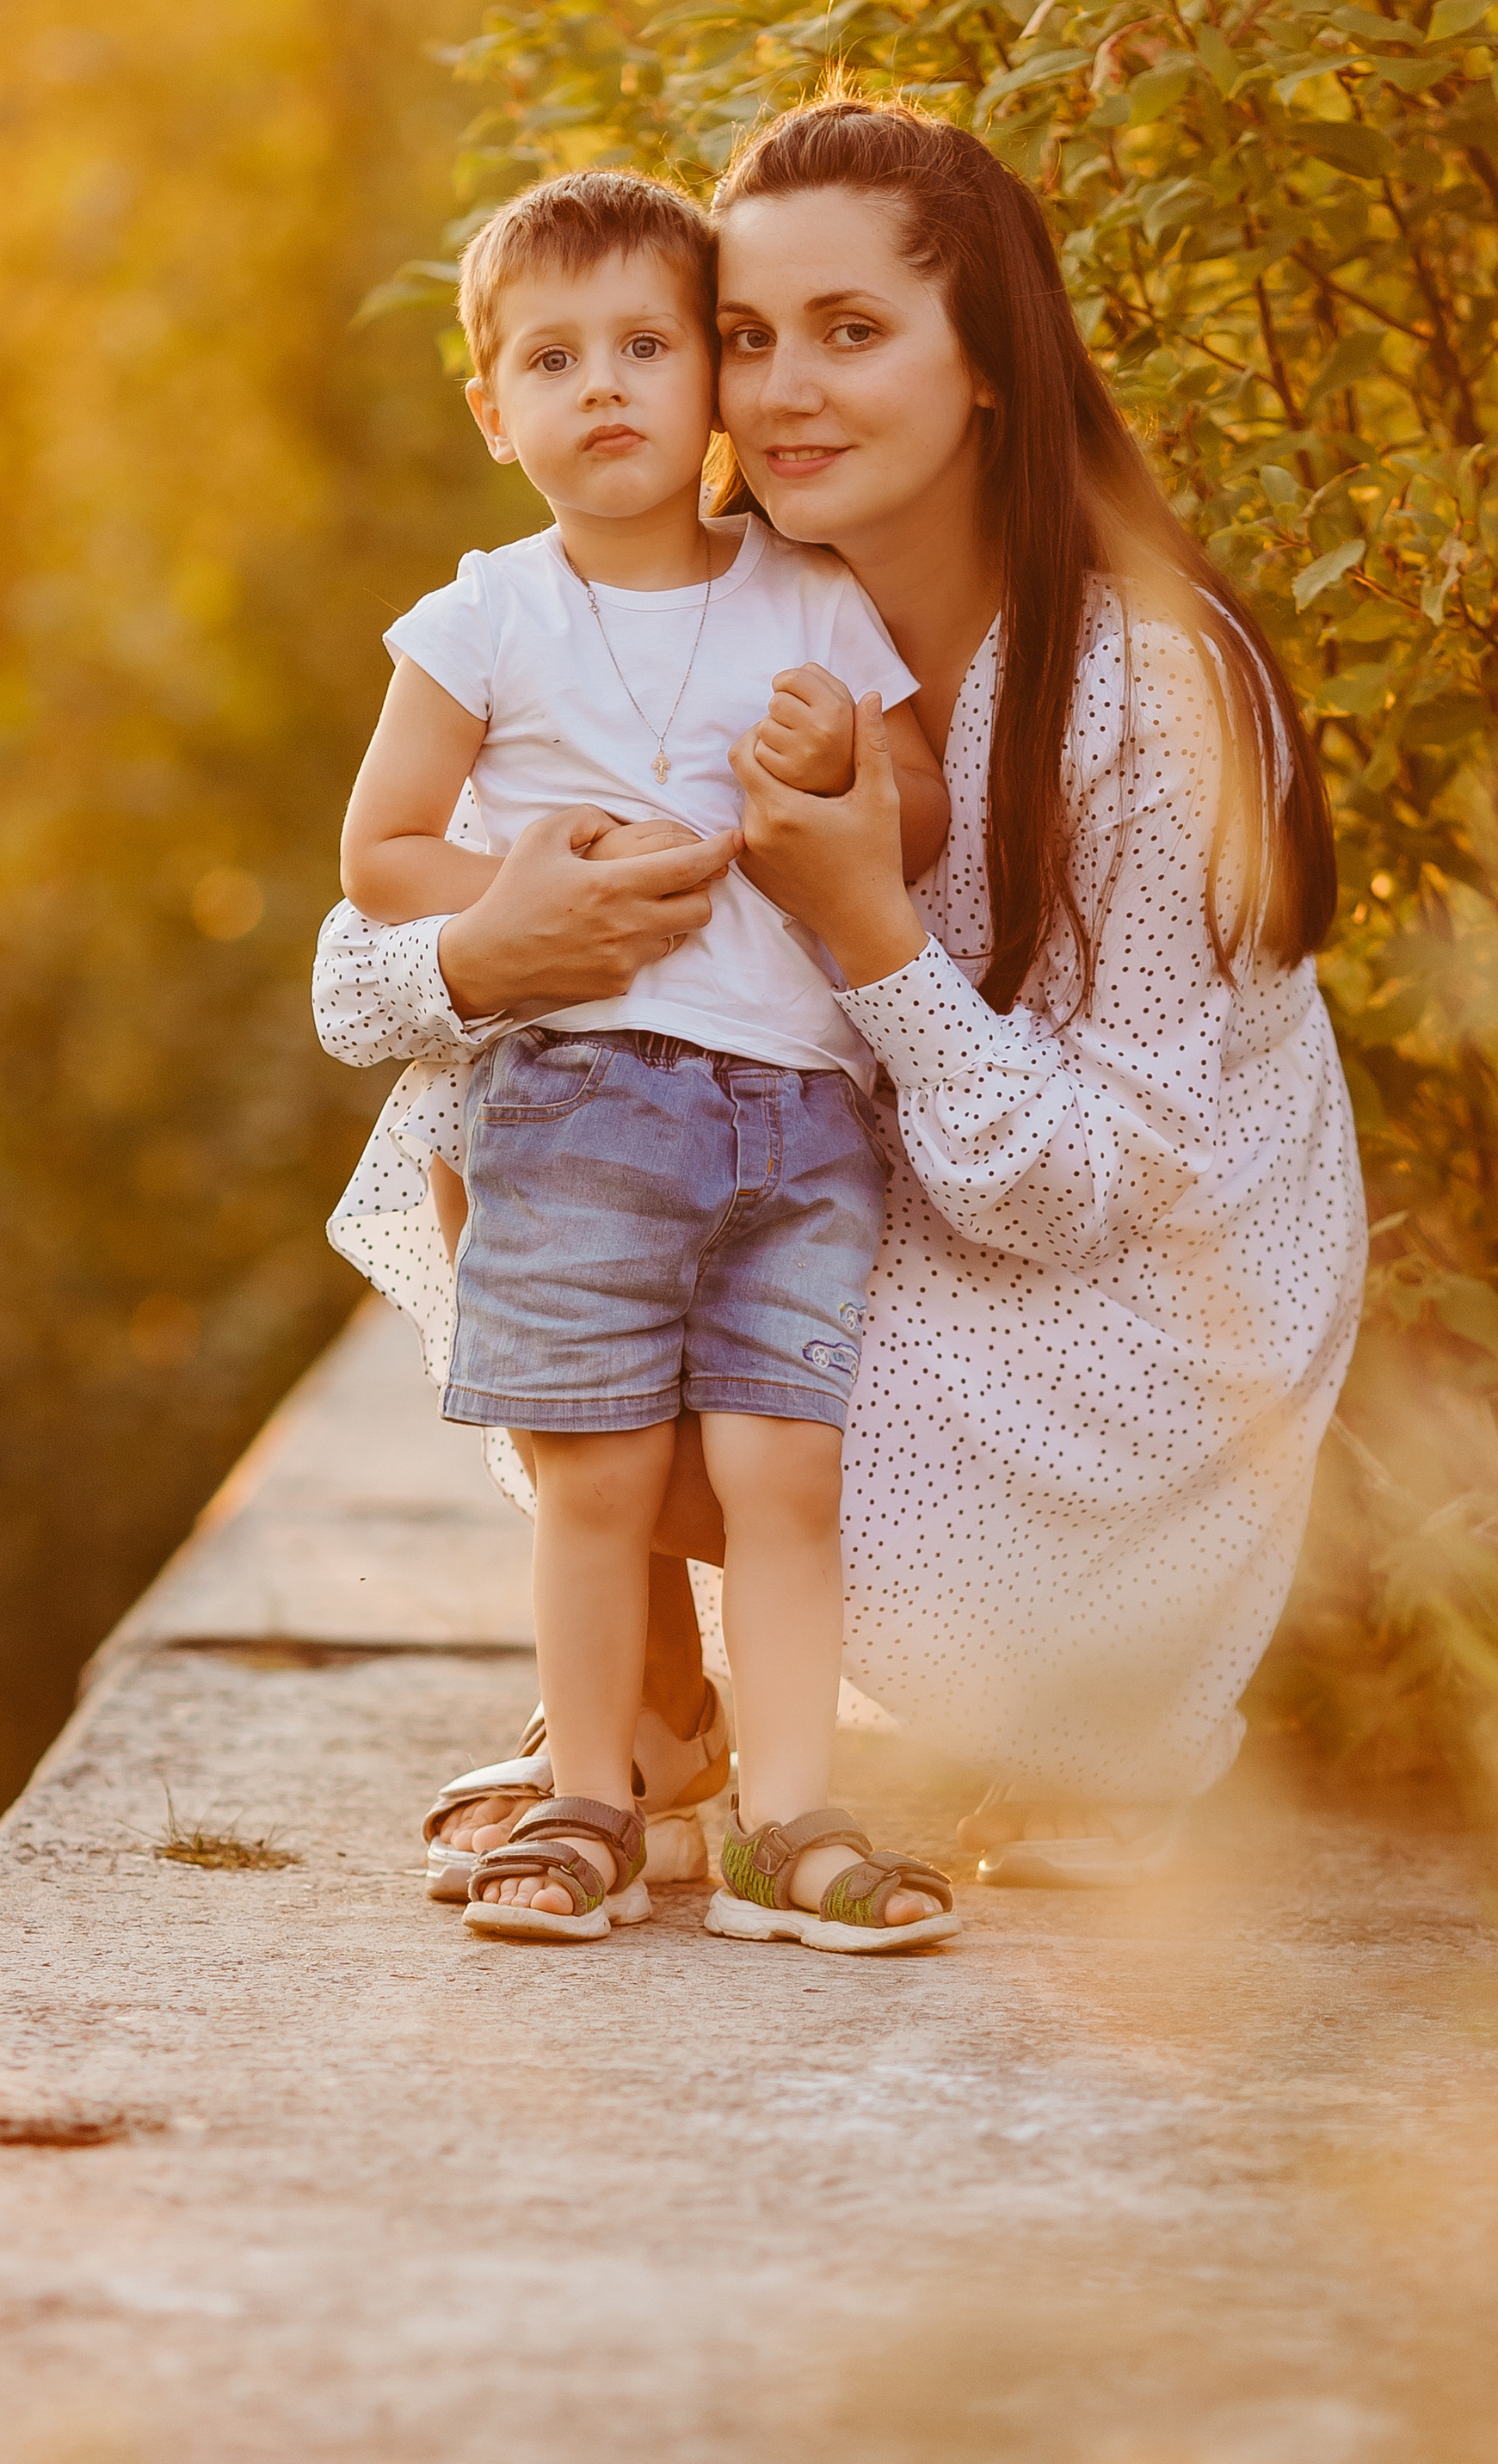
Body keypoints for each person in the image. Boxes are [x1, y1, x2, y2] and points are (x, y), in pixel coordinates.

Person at [317, 94, 1365, 1890]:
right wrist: (488, 948)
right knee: (508, 1099)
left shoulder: (1149, 684)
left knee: (691, 1336)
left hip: (1133, 1336)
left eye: (852, 332)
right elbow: (361, 984)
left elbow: (1084, 1199)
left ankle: (1056, 1700)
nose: (781, 387)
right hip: (882, 1201)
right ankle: (644, 1719)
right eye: (743, 336)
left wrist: (864, 924)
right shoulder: (730, 603)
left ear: (986, 369)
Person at [336, 166, 957, 1949]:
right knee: (594, 1471)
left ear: (710, 385)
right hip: (578, 1100)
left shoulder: (809, 599)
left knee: (781, 1475)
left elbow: (908, 814)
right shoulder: (481, 619)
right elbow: (383, 858)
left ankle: (787, 1818)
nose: (598, 385)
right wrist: (530, 884)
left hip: (795, 1117)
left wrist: (844, 756)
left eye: (641, 346)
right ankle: (591, 1800)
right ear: (491, 410)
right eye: (550, 358)